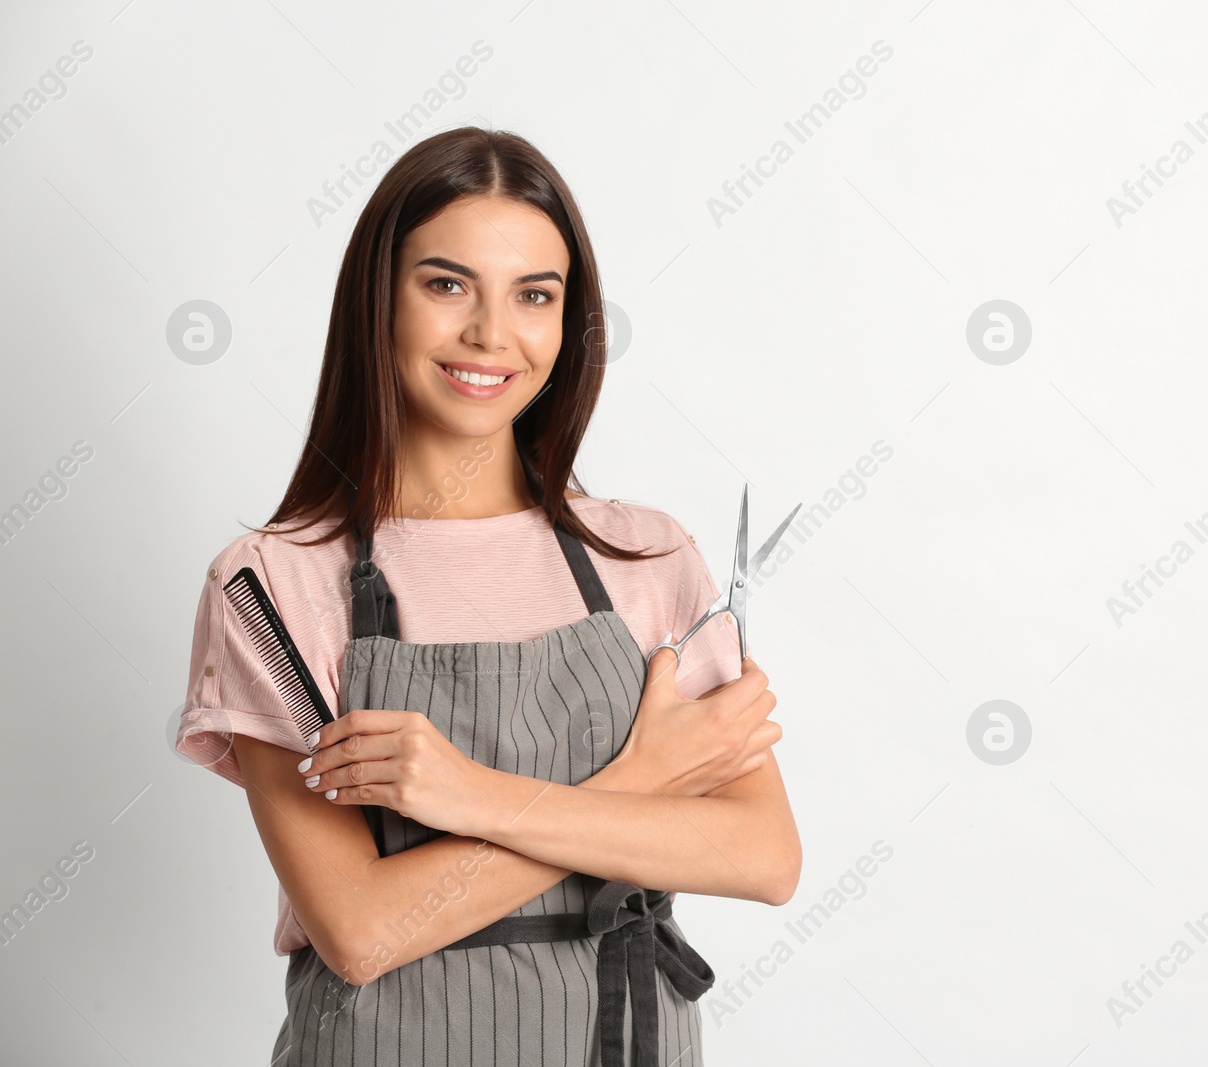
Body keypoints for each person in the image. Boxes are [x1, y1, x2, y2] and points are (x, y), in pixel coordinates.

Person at [175, 125, 800, 1066]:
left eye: (534, 295)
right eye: (446, 283)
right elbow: (361, 929)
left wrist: (471, 794)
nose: (491, 335)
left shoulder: (649, 556)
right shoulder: (271, 588)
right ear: (377, 300)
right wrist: (639, 782)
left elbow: (763, 856)